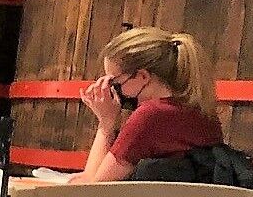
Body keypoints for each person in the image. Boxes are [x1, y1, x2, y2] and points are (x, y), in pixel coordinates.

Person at [69, 25, 222, 183]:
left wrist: (106, 123)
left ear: (143, 76)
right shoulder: (202, 112)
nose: (111, 89)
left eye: (114, 82)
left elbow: (93, 188)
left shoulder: (151, 115)